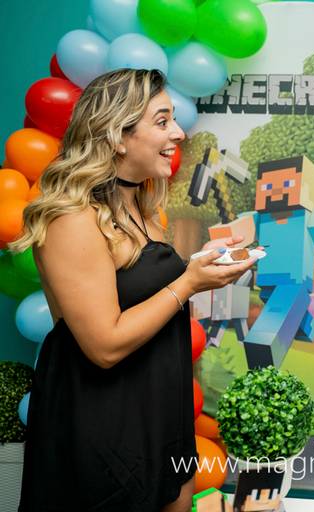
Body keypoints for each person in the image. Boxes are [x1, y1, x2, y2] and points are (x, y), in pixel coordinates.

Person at [9, 69, 256, 512]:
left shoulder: (141, 207)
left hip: (160, 409)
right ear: (118, 135)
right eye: (162, 121)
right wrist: (189, 281)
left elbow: (141, 289)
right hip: (104, 424)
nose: (179, 133)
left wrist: (199, 264)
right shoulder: (72, 218)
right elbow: (104, 346)